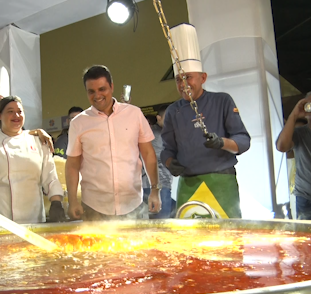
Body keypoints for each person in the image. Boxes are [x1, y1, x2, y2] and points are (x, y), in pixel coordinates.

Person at [160, 23, 250, 219]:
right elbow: (167, 149)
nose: (183, 84)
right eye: (178, 79)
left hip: (221, 182)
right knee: (189, 243)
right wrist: (169, 162)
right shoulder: (174, 111)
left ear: (203, 77)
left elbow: (243, 141)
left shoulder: (222, 101)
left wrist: (222, 143)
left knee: (228, 241)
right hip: (188, 184)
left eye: (188, 77)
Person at [66, 65, 161, 221]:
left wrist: (155, 190)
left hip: (133, 203)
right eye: (91, 91)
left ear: (112, 87)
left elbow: (148, 154)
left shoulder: (134, 114)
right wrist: (72, 200)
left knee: (139, 246)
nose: (97, 95)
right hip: (94, 208)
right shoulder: (79, 123)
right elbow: (72, 165)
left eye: (102, 89)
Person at [0, 96, 66, 224]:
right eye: (10, 111)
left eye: (20, 111)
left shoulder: (39, 141)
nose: (16, 115)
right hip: (0, 217)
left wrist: (56, 202)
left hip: (34, 217)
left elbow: (50, 176)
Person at [276, 91, 311, 220]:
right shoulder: (299, 133)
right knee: (308, 239)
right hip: (307, 200)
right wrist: (294, 115)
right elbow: (282, 146)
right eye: (308, 102)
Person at [148, 105, 175, 219]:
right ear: (158, 118)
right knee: (161, 225)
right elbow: (156, 160)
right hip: (158, 186)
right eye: (167, 117)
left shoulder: (165, 134)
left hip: (162, 185)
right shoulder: (154, 135)